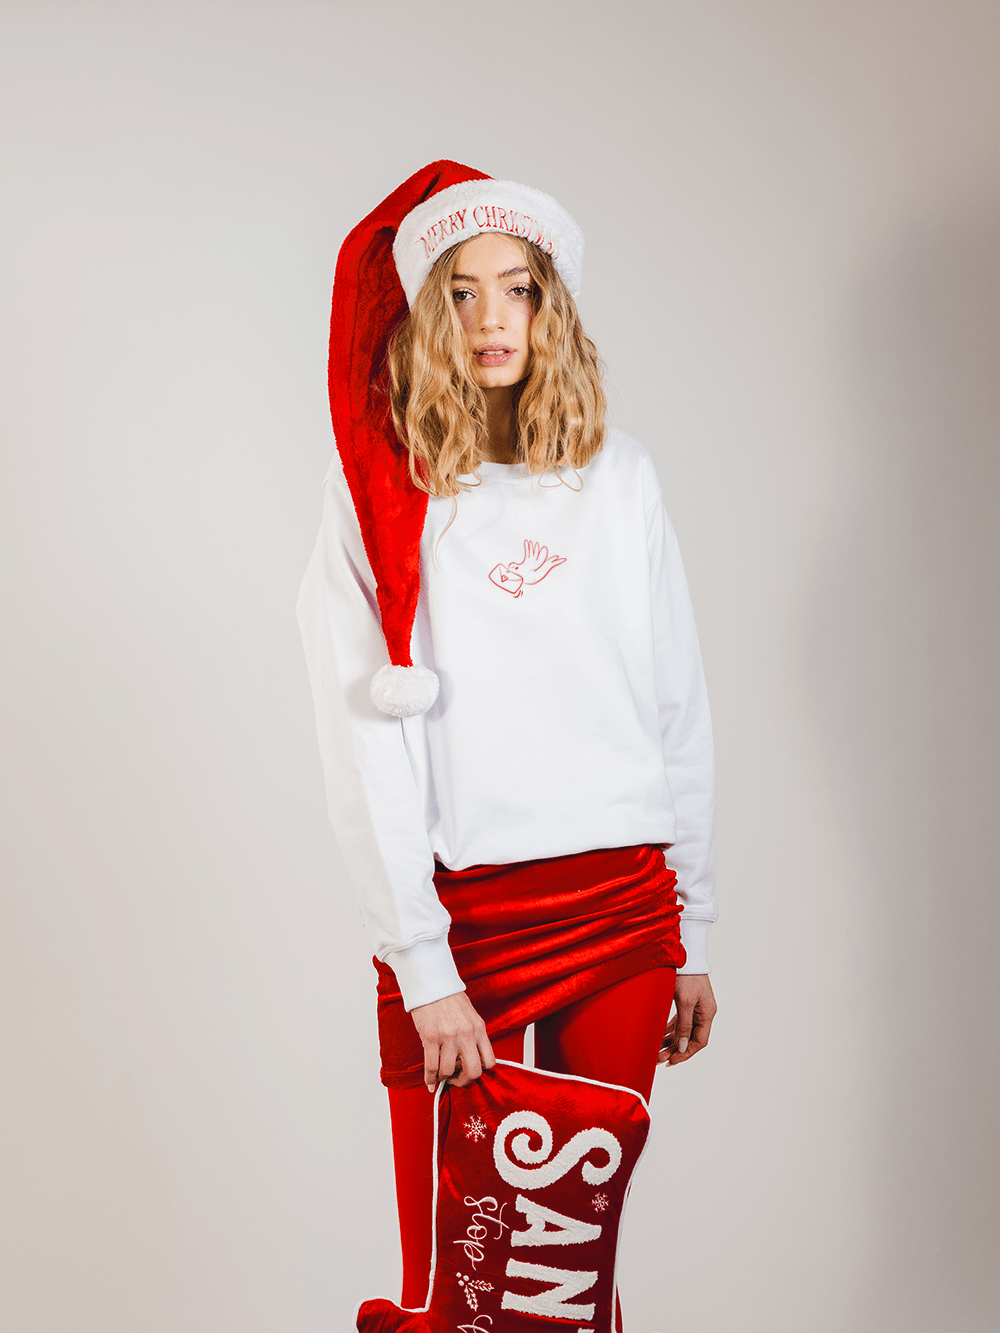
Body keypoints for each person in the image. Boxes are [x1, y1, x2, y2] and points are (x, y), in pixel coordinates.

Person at [297, 161, 718, 1326]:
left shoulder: (619, 479)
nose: (491, 318)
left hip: (621, 907)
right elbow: (361, 743)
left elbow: (675, 707)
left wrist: (690, 924)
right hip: (464, 922)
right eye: (462, 290)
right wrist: (420, 963)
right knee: (459, 1289)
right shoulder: (382, 490)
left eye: (517, 288)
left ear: (550, 306)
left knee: (565, 1284)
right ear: (429, 310)